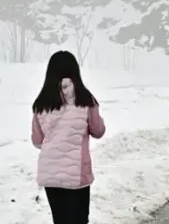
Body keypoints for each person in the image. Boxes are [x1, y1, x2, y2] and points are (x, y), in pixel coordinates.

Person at [31, 50, 107, 224]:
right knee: (79, 220)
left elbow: (37, 141)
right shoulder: (85, 99)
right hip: (77, 174)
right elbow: (98, 131)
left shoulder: (41, 103)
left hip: (51, 173)